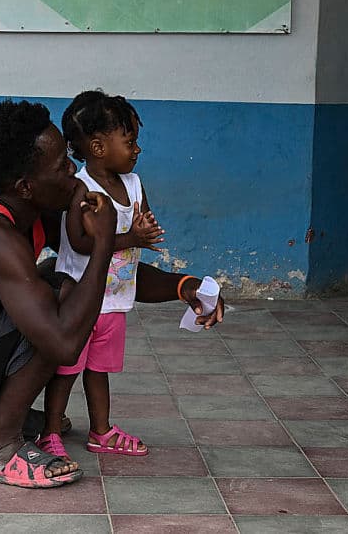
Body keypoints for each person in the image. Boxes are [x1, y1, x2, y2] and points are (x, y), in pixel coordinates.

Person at [0, 99, 223, 489]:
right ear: (26, 187)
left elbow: (113, 277)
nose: (75, 174)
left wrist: (184, 286)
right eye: (62, 166)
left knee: (59, 281)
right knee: (59, 293)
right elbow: (63, 343)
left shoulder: (30, 212)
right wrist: (103, 240)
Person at [37, 89, 218, 461]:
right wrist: (131, 237)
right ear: (99, 147)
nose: (137, 150)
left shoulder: (133, 184)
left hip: (115, 300)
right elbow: (79, 241)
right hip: (79, 300)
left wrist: (145, 230)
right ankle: (50, 431)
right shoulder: (83, 189)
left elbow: (140, 219)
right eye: (130, 142)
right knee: (66, 370)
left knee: (99, 370)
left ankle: (100, 431)